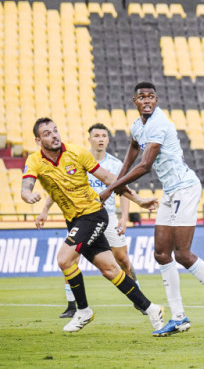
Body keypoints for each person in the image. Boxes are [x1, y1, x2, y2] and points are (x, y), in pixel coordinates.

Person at [99, 82, 204, 336]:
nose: (147, 100)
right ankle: (179, 318)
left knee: (183, 254)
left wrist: (112, 187)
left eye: (151, 97)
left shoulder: (159, 124)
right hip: (170, 191)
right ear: (135, 101)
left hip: (185, 188)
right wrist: (118, 180)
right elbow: (133, 147)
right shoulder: (137, 126)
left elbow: (145, 165)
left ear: (156, 100)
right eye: (142, 97)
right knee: (161, 254)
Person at [24, 118, 164, 333]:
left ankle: (83, 310)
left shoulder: (77, 153)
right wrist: (28, 195)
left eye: (55, 130)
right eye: (47, 133)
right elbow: (27, 184)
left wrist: (138, 200)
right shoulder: (34, 161)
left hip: (93, 214)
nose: (54, 135)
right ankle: (151, 309)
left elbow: (109, 178)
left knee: (64, 259)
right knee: (109, 270)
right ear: (38, 140)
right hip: (74, 219)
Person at [39, 123, 142, 318]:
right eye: (97, 135)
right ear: (90, 139)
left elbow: (122, 191)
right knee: (71, 258)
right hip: (83, 216)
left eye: (104, 135)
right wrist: (45, 209)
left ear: (108, 140)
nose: (101, 139)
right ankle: (72, 305)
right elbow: (59, 188)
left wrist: (124, 217)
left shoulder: (115, 164)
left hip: (108, 215)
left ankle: (137, 292)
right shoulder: (76, 158)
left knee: (122, 259)